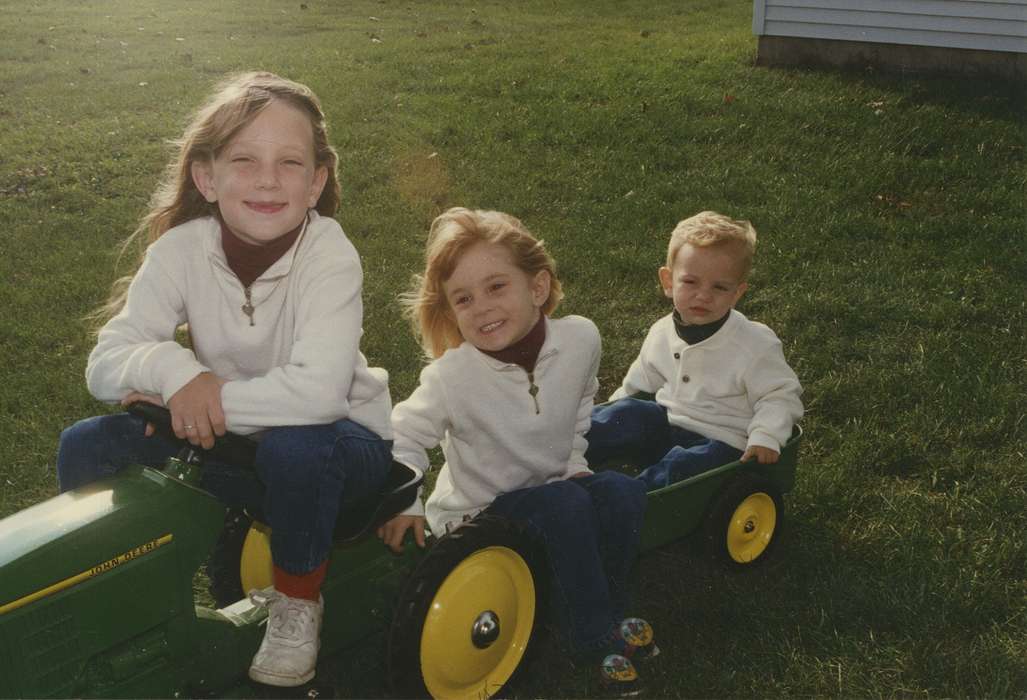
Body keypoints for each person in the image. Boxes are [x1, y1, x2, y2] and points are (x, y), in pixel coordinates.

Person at [55, 72, 394, 688]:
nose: (268, 179)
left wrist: (202, 401)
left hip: (343, 447)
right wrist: (176, 372)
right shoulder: (182, 250)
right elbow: (106, 362)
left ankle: (297, 601)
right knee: (89, 442)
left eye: (290, 162)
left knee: (299, 445)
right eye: (245, 159)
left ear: (316, 182)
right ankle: (120, 599)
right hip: (232, 442)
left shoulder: (330, 253)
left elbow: (318, 394)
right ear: (206, 177)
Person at [376, 207, 655, 693]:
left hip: (551, 491)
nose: (481, 307)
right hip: (478, 517)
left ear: (538, 288)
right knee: (566, 505)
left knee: (621, 494)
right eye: (463, 299)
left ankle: (603, 603)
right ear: (450, 311)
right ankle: (590, 634)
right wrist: (406, 501)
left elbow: (580, 405)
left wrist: (572, 463)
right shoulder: (452, 377)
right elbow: (404, 432)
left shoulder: (580, 340)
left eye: (496, 287)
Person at [586, 211, 803, 489]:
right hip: (667, 422)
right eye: (690, 282)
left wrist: (765, 435)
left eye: (720, 287)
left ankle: (630, 496)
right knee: (626, 413)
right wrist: (616, 412)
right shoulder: (662, 331)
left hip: (722, 442)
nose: (703, 295)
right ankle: (565, 449)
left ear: (737, 293)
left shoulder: (754, 345)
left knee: (683, 467)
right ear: (668, 281)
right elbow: (638, 384)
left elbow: (781, 395)